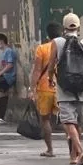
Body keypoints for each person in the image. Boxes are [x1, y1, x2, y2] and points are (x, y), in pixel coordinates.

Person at [46, 13, 83, 165]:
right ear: (78, 27)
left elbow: (51, 66)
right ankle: (74, 157)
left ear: (64, 27)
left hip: (65, 87)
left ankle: (80, 151)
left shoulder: (56, 42)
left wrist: (50, 80)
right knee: (78, 123)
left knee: (68, 121)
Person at [28, 22, 62, 157]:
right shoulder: (64, 47)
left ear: (48, 35)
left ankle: (50, 150)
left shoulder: (42, 49)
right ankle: (75, 149)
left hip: (45, 88)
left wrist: (32, 88)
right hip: (61, 89)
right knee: (66, 120)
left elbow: (37, 71)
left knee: (45, 119)